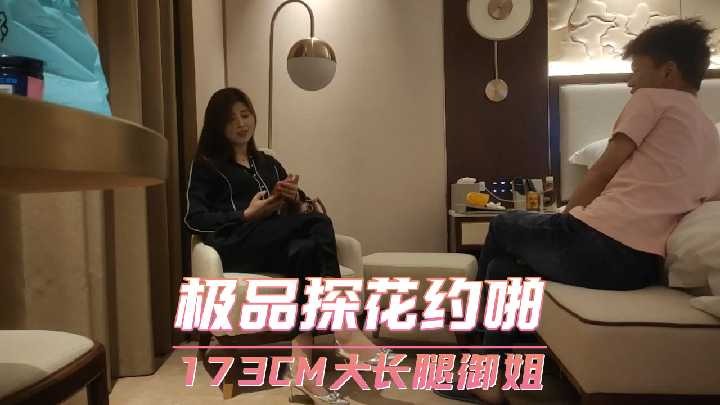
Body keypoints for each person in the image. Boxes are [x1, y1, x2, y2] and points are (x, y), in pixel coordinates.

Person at [436, 18, 720, 404]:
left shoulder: (653, 100)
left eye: (636, 71)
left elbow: (603, 169)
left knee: (502, 225)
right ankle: (493, 378)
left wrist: (566, 218)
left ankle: (474, 356)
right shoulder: (709, 133)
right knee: (504, 271)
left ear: (667, 72)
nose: (631, 83)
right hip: (639, 267)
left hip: (599, 243)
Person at [185, 88, 387, 405]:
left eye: (245, 115)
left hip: (272, 243)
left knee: (305, 251)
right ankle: (344, 326)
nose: (241, 124)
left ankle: (303, 369)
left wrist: (294, 200)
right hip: (234, 246)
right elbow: (194, 219)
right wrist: (245, 214)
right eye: (231, 119)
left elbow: (295, 211)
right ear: (217, 126)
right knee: (319, 223)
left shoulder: (268, 163)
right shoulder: (207, 166)